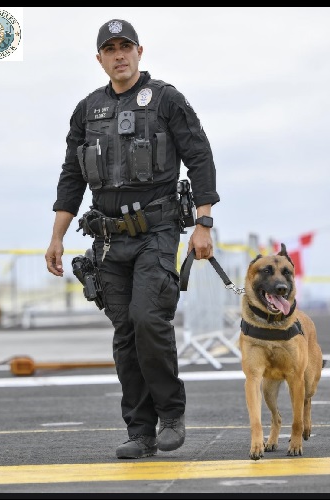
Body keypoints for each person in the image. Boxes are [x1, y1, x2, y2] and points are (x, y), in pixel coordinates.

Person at [45, 18, 220, 459]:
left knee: (147, 319)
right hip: (108, 240)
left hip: (157, 232)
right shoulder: (87, 110)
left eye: (126, 47)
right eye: (110, 49)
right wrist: (57, 238)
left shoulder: (166, 99)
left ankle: (171, 414)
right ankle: (140, 431)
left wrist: (204, 222)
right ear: (100, 58)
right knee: (125, 332)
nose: (119, 55)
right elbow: (72, 176)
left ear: (140, 52)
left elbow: (199, 157)